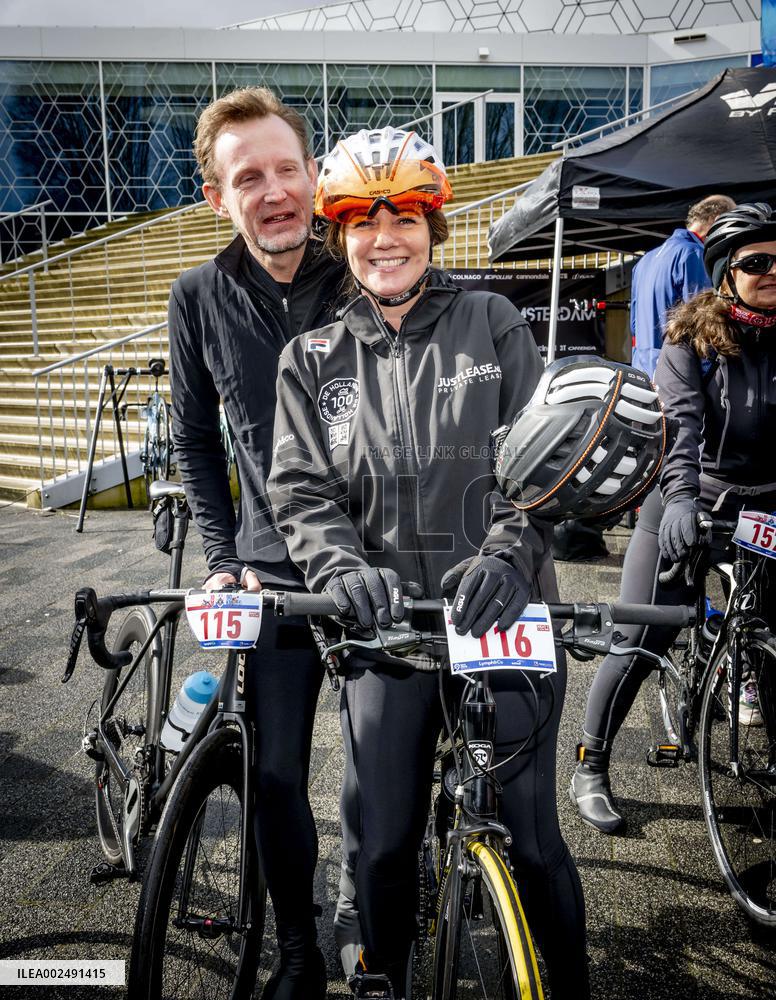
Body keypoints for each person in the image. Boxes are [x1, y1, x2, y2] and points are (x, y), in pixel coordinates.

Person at [268, 126, 589, 1000]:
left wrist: (511, 554)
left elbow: (544, 464)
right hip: (387, 629)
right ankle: (390, 983)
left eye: (405, 216)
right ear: (340, 236)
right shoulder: (311, 361)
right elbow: (300, 493)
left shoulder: (493, 321)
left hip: (503, 616)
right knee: (384, 842)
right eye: (363, 222)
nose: (385, 237)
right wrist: (337, 571)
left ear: (433, 226)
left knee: (532, 839)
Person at [168, 86, 345, 999]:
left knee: (385, 770)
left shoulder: (364, 271)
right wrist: (220, 556)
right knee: (274, 776)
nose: (274, 191)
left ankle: (391, 903)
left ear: (313, 175)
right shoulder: (196, 294)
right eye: (249, 178)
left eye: (287, 169)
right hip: (268, 570)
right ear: (217, 197)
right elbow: (197, 440)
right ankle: (300, 950)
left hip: (378, 567)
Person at [570, 202, 776, 834]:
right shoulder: (692, 340)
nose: (773, 272)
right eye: (757, 263)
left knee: (770, 641)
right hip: (690, 496)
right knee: (642, 636)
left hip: (763, 503)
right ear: (725, 273)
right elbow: (678, 427)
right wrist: (681, 497)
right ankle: (591, 763)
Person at [630, 194, 735, 378]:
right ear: (717, 220)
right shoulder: (694, 253)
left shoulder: (644, 260)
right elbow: (707, 323)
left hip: (642, 371)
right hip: (678, 375)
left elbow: (634, 326)